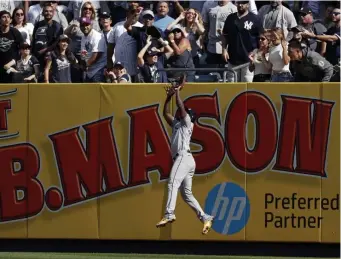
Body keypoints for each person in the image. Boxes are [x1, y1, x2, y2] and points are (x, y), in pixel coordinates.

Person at [156, 76, 214, 235]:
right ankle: (205, 217)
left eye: (185, 112)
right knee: (186, 194)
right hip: (186, 160)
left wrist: (177, 93)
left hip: (183, 157)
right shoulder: (177, 123)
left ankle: (169, 213)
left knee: (172, 183)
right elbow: (165, 112)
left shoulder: (188, 122)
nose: (182, 112)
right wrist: (168, 98)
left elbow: (181, 108)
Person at [222, 0, 261, 82]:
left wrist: (257, 52)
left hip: (248, 60)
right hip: (233, 58)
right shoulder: (230, 18)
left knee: (246, 87)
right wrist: (224, 49)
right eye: (238, 3)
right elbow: (225, 35)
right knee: (232, 86)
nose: (240, 5)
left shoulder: (255, 18)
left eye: (243, 3)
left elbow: (261, 38)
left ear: (248, 4)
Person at [0, 10, 24, 83]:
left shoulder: (15, 32)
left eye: (8, 17)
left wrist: (15, 61)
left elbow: (22, 49)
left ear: (11, 20)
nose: (6, 19)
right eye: (4, 17)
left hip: (11, 67)